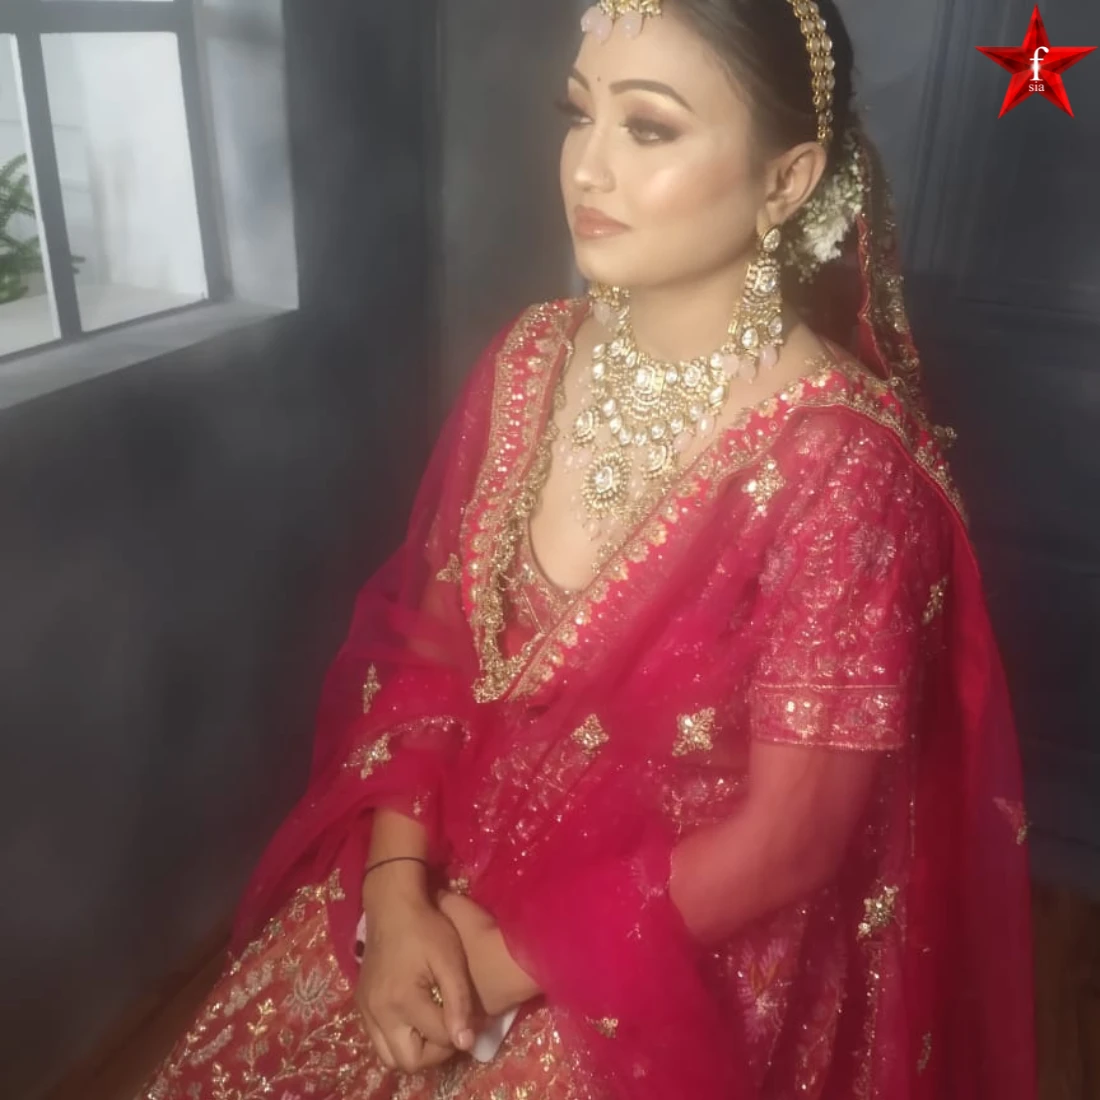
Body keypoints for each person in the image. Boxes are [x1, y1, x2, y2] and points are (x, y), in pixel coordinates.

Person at [139, 1, 1036, 1097]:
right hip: (438, 867)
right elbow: (432, 648)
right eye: (579, 114)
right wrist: (394, 889)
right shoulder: (528, 361)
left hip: (668, 944)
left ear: (787, 181)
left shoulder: (842, 467)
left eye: (647, 127)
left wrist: (506, 958)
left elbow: (793, 836)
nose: (587, 167)